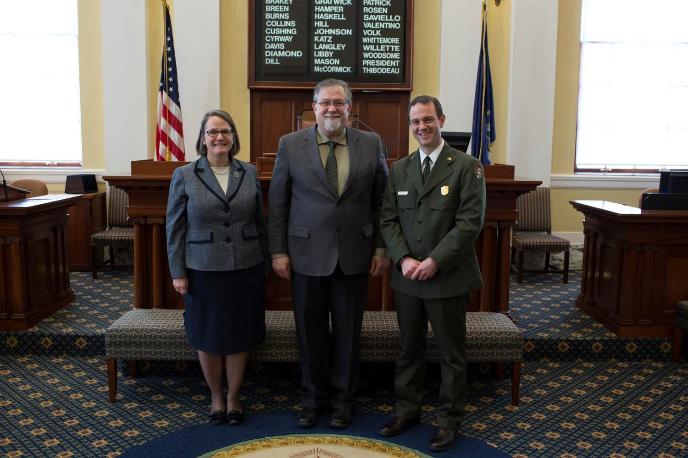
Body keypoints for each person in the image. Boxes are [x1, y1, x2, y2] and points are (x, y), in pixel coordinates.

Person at [268, 79, 389, 429]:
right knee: (309, 333)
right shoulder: (290, 145)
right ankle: (311, 399)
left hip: (356, 253)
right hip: (305, 254)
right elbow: (278, 203)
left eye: (339, 102)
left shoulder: (371, 143)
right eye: (325, 103)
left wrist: (381, 246)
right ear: (314, 107)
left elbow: (382, 200)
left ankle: (343, 401)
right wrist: (278, 251)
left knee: (349, 334)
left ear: (350, 108)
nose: (332, 109)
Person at [378, 95, 486, 452]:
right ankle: (407, 410)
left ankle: (448, 421)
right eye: (415, 122)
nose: (421, 127)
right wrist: (403, 259)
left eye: (427, 119)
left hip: (447, 277)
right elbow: (389, 219)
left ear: (441, 119)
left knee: (450, 353)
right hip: (408, 278)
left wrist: (435, 260)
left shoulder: (466, 166)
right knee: (409, 349)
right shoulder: (399, 169)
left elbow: (469, 223)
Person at [166, 109, 268, 426]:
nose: (219, 137)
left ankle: (235, 397)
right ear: (202, 139)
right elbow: (174, 227)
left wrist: (265, 262)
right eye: (212, 132)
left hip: (245, 266)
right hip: (202, 270)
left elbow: (260, 222)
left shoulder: (248, 172)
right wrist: (178, 271)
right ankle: (215, 396)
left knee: (239, 335)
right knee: (207, 335)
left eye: (225, 131)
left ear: (233, 137)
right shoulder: (184, 175)